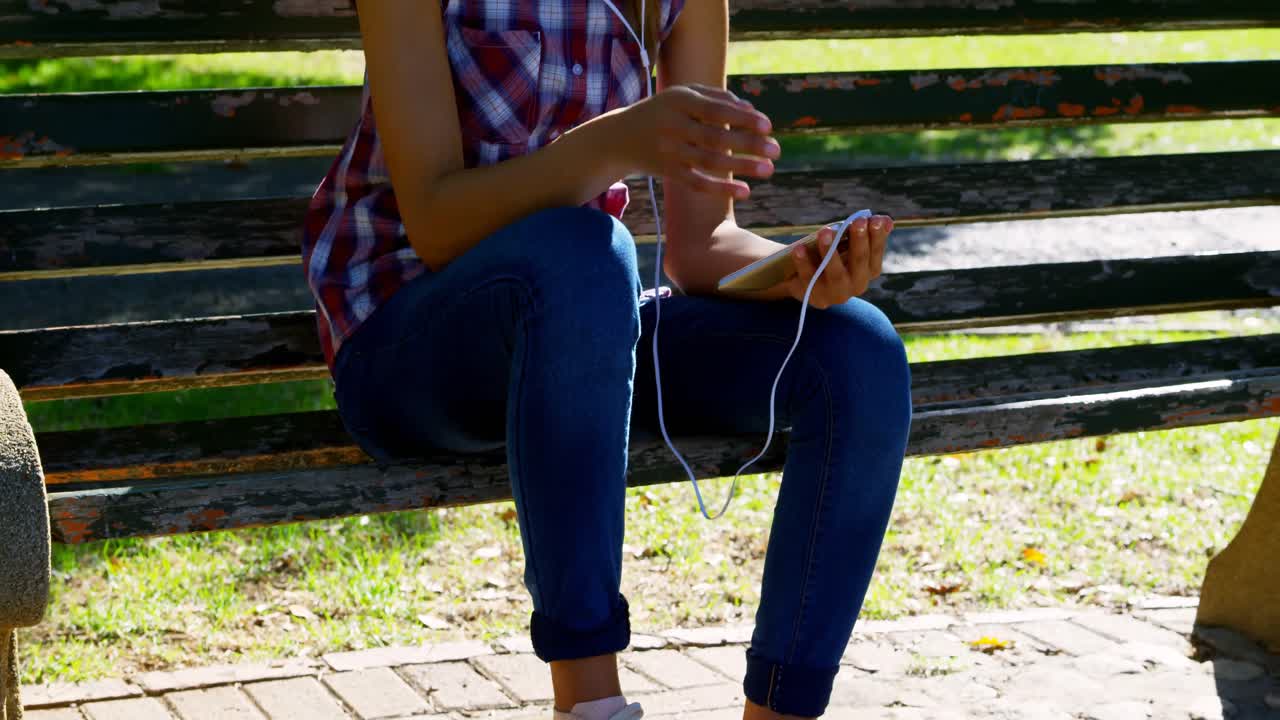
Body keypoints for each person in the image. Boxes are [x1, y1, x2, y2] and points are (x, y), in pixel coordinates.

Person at [300, 1, 912, 718]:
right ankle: (590, 704)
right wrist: (616, 144)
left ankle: (781, 709)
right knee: (586, 251)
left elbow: (702, 243)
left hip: (582, 320)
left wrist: (795, 271)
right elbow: (435, 223)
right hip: (409, 340)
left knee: (857, 355)